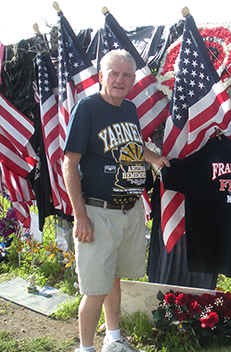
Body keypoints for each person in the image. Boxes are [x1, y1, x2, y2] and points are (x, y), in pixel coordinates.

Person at [63, 49, 170, 352]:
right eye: (114, 73)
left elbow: (133, 146)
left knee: (114, 280)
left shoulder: (129, 109)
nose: (120, 80)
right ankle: (85, 348)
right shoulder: (88, 108)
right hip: (98, 212)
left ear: (134, 79)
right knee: (95, 289)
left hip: (129, 210)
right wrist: (79, 216)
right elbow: (69, 163)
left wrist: (157, 158)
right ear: (101, 76)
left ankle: (114, 339)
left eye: (126, 75)